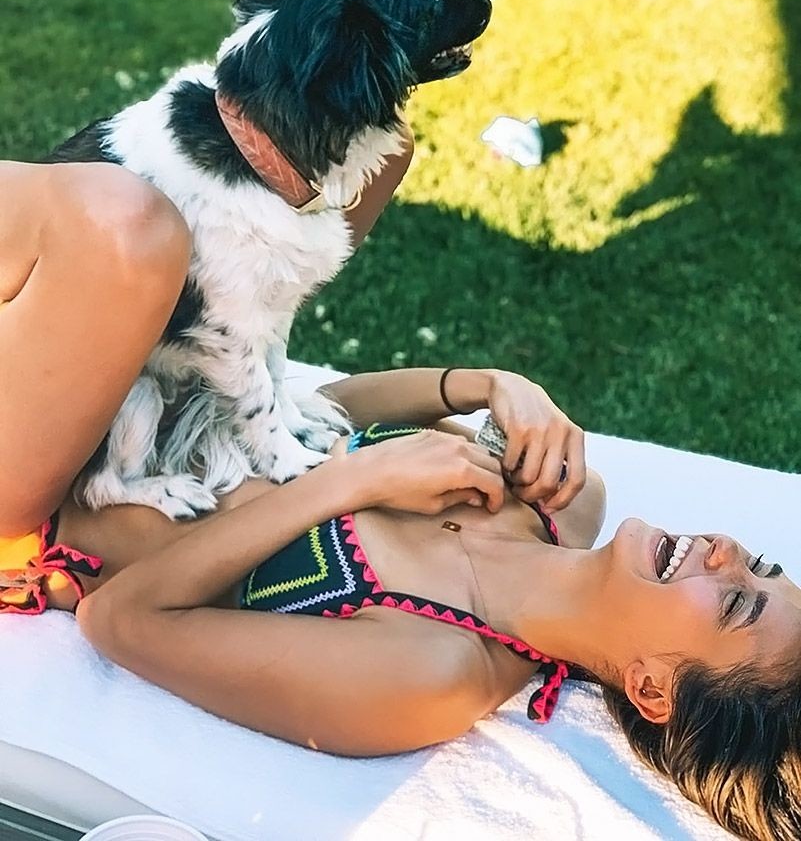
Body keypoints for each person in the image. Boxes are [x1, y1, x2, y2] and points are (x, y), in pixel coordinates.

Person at [2, 162, 800, 841]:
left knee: (124, 224)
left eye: (735, 603)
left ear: (653, 690)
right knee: (368, 156)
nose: (726, 554)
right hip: (135, 396)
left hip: (45, 501)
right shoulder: (561, 498)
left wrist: (349, 485)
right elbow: (323, 412)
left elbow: (121, 622)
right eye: (760, 565)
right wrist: (484, 385)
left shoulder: (430, 674)